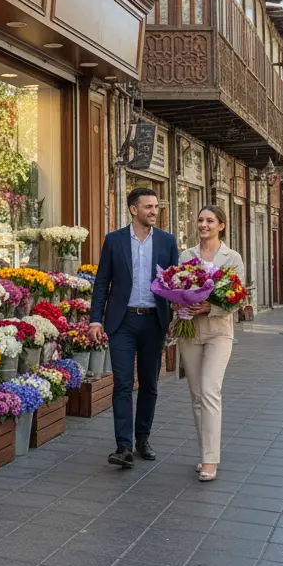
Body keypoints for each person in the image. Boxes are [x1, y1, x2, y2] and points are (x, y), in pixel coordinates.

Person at [88, 188, 180, 469]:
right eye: (148, 207)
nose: (154, 211)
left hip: (154, 321)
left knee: (150, 384)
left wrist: (178, 315)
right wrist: (95, 319)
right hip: (122, 322)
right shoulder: (114, 240)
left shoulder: (167, 241)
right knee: (123, 384)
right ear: (133, 210)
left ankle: (143, 438)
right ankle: (123, 446)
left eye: (156, 207)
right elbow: (102, 281)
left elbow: (174, 283)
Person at [177, 205, 245, 483]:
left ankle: (211, 460)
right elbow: (178, 287)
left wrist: (209, 307)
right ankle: (204, 451)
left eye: (210, 221)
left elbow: (238, 298)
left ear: (221, 226)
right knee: (196, 395)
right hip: (189, 330)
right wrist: (180, 300)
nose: (203, 224)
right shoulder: (187, 255)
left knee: (209, 390)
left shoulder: (232, 258)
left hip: (219, 331)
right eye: (200, 219)